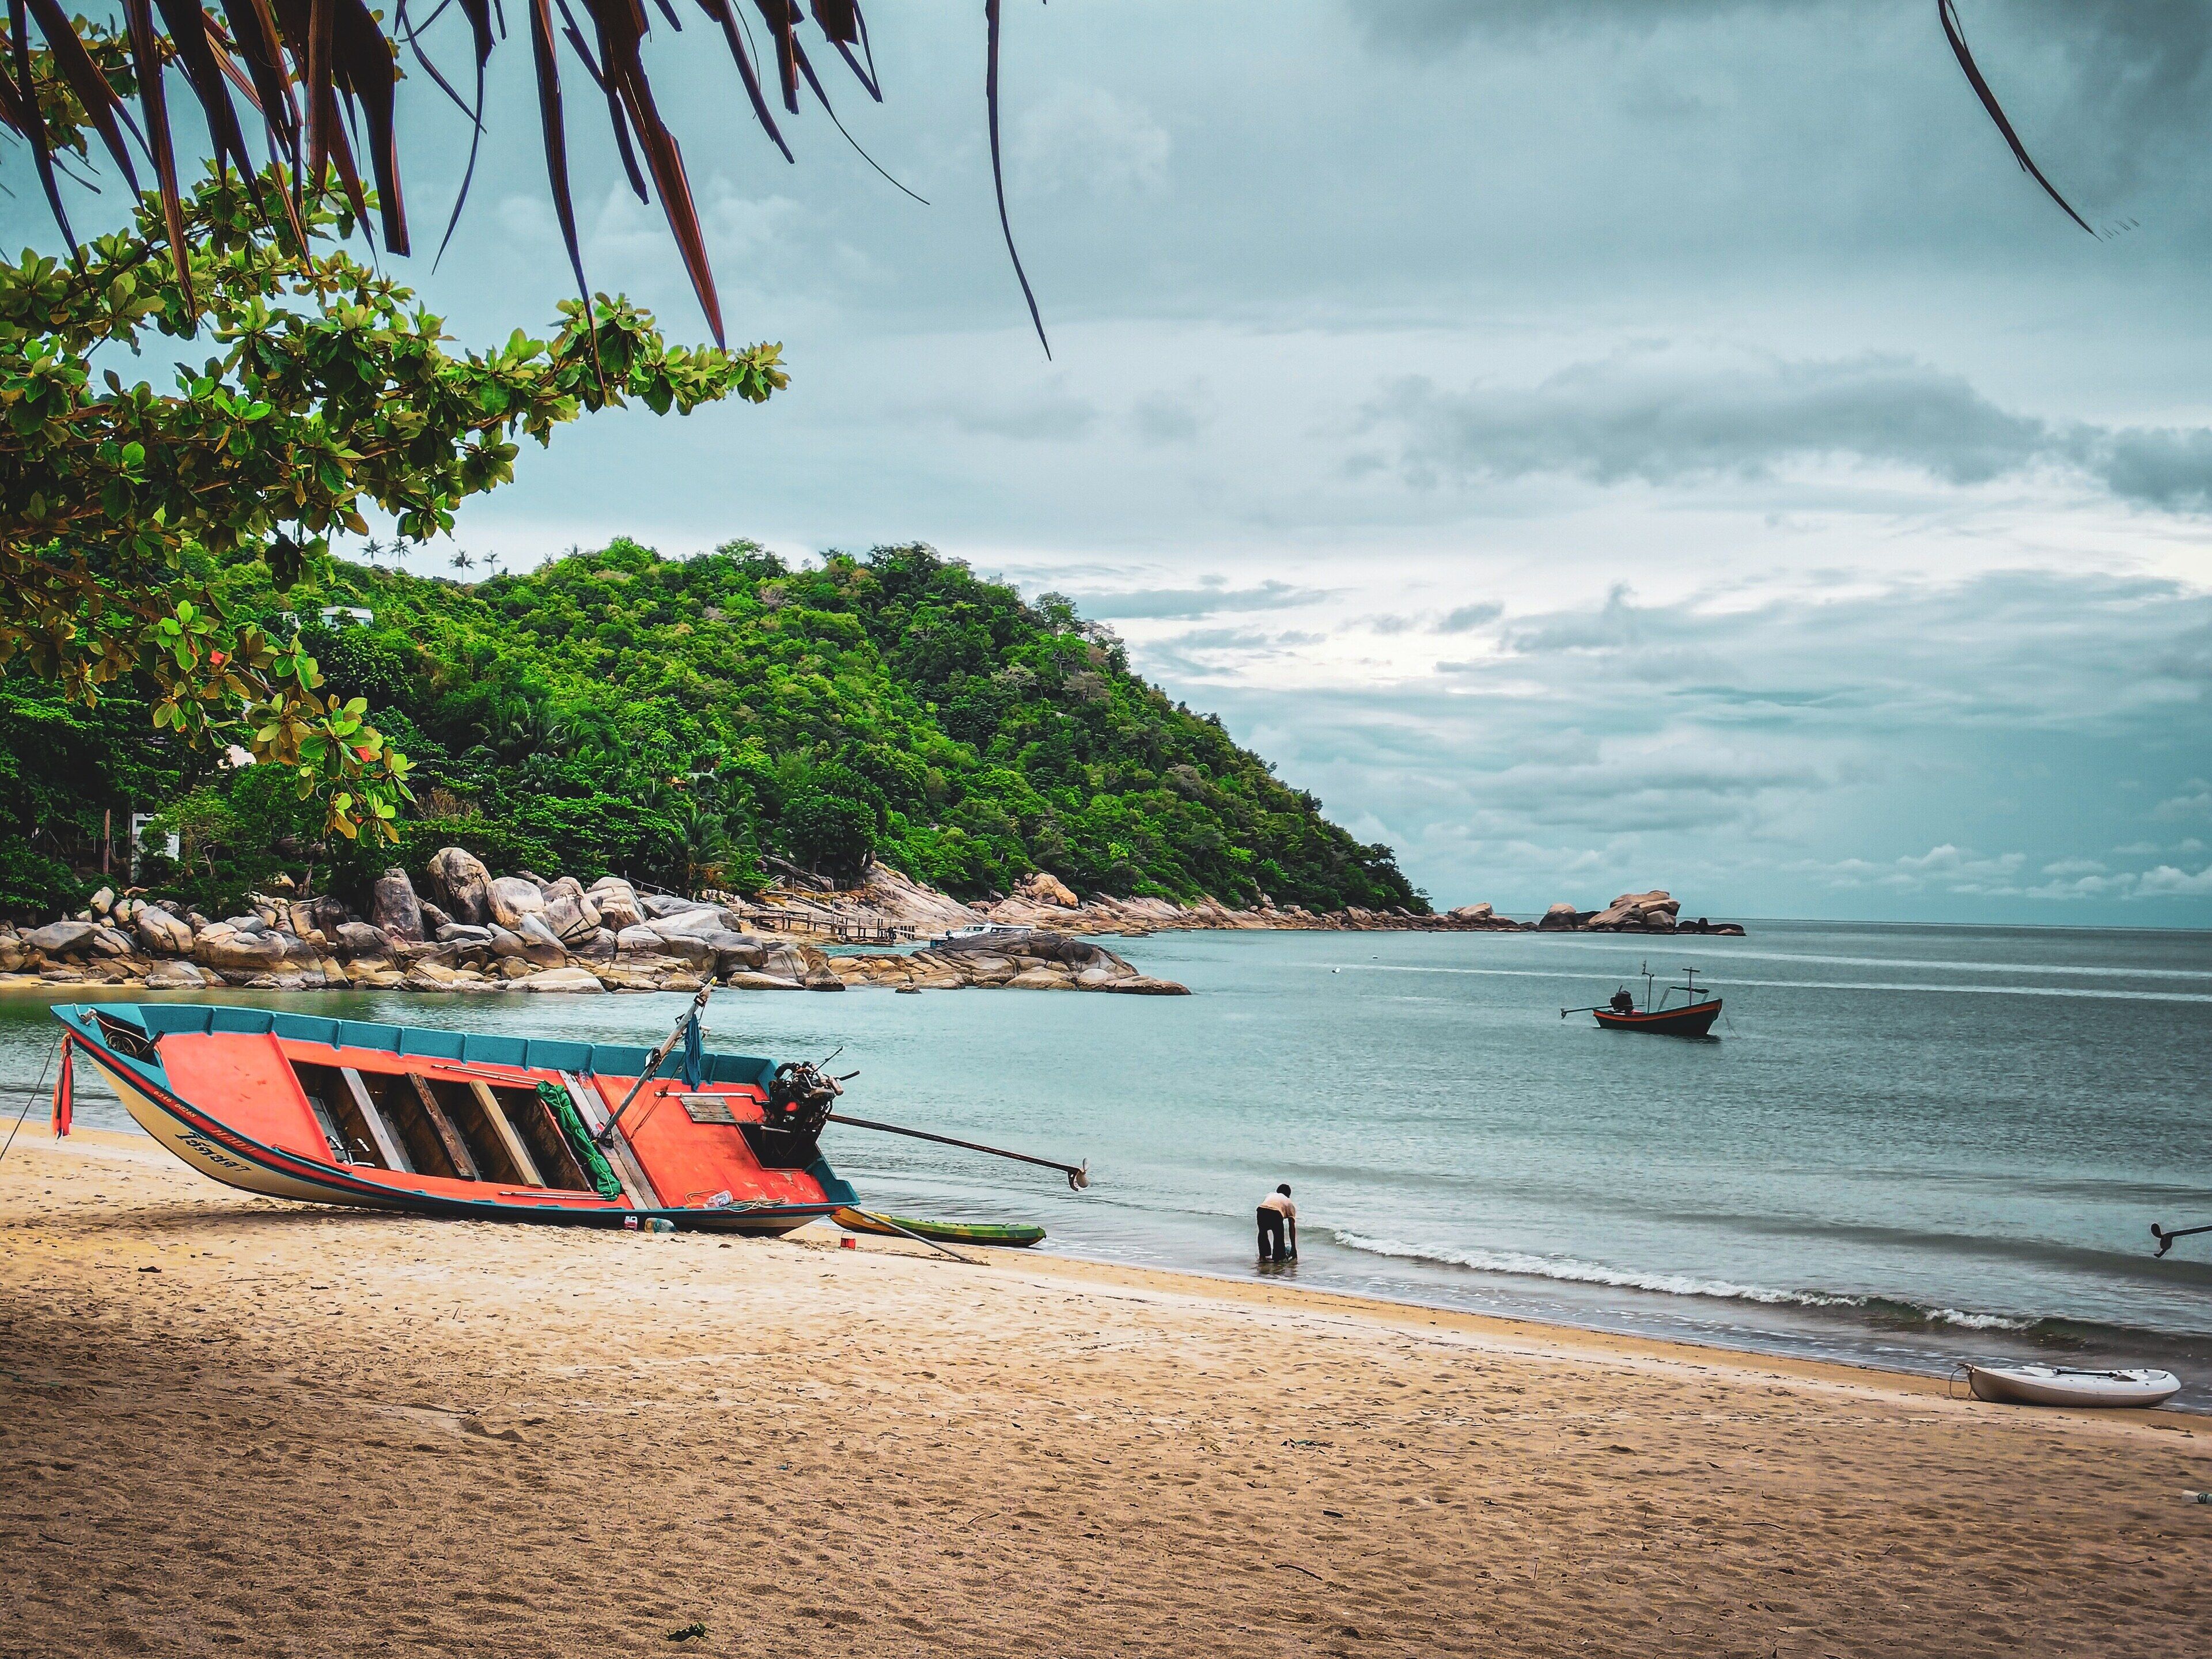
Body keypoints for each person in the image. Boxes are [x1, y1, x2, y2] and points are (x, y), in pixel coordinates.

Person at [1257, 1183, 1297, 1263]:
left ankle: (1263, 1257)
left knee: (1263, 1233)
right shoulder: (1289, 1202)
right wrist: (1294, 1248)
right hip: (1276, 1213)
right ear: (1288, 1195)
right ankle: (1278, 1258)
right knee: (1278, 1236)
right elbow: (1292, 1227)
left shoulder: (1271, 1195)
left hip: (1261, 1210)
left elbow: (1267, 1205)